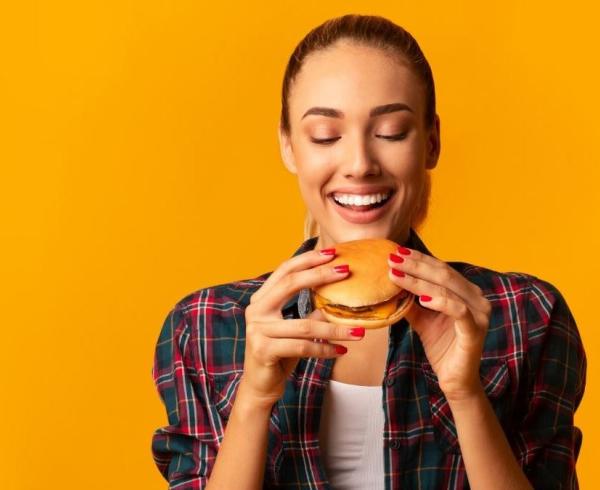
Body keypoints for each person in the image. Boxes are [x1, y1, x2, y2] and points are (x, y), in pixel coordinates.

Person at [151, 14, 586, 489]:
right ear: (290, 146)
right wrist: (254, 399)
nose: (359, 164)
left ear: (431, 142)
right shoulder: (207, 327)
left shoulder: (526, 317)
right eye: (325, 136)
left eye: (392, 131)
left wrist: (465, 394)